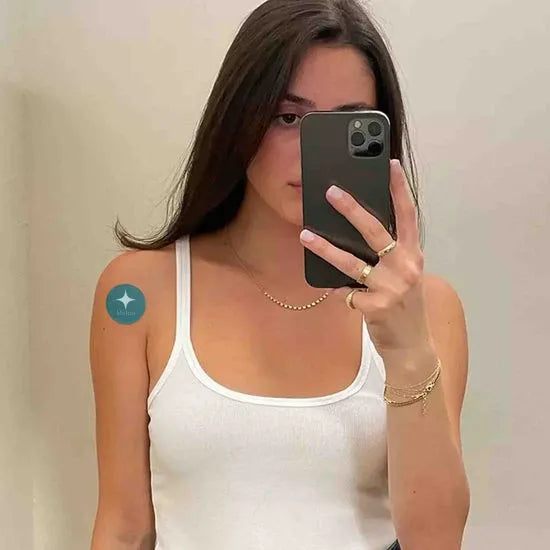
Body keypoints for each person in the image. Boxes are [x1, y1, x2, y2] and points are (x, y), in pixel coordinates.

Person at [89, 1, 470, 549]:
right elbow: (124, 528)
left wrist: (409, 351)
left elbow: (436, 539)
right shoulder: (138, 291)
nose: (312, 153)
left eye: (346, 124)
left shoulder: (429, 308)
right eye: (288, 118)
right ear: (239, 119)